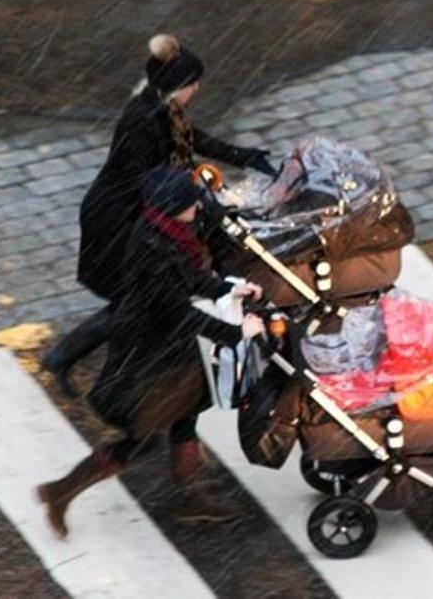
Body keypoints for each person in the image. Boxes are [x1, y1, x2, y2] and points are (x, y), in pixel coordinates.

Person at [40, 33, 275, 397]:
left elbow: (191, 140)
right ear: (175, 86)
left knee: (137, 301)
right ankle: (83, 368)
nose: (196, 89)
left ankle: (69, 359)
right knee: (135, 301)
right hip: (117, 221)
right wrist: (187, 195)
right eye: (192, 83)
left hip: (134, 213)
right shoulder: (142, 120)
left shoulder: (163, 109)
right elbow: (144, 178)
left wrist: (242, 156)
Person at [37, 167, 265, 536]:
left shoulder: (168, 232)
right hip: (149, 356)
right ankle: (61, 492)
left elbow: (190, 278)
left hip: (165, 349)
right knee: (143, 437)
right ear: (175, 206)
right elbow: (180, 313)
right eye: (190, 200)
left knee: (185, 414)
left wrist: (226, 290)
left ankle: (191, 498)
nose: (197, 204)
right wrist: (236, 332)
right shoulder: (154, 249)